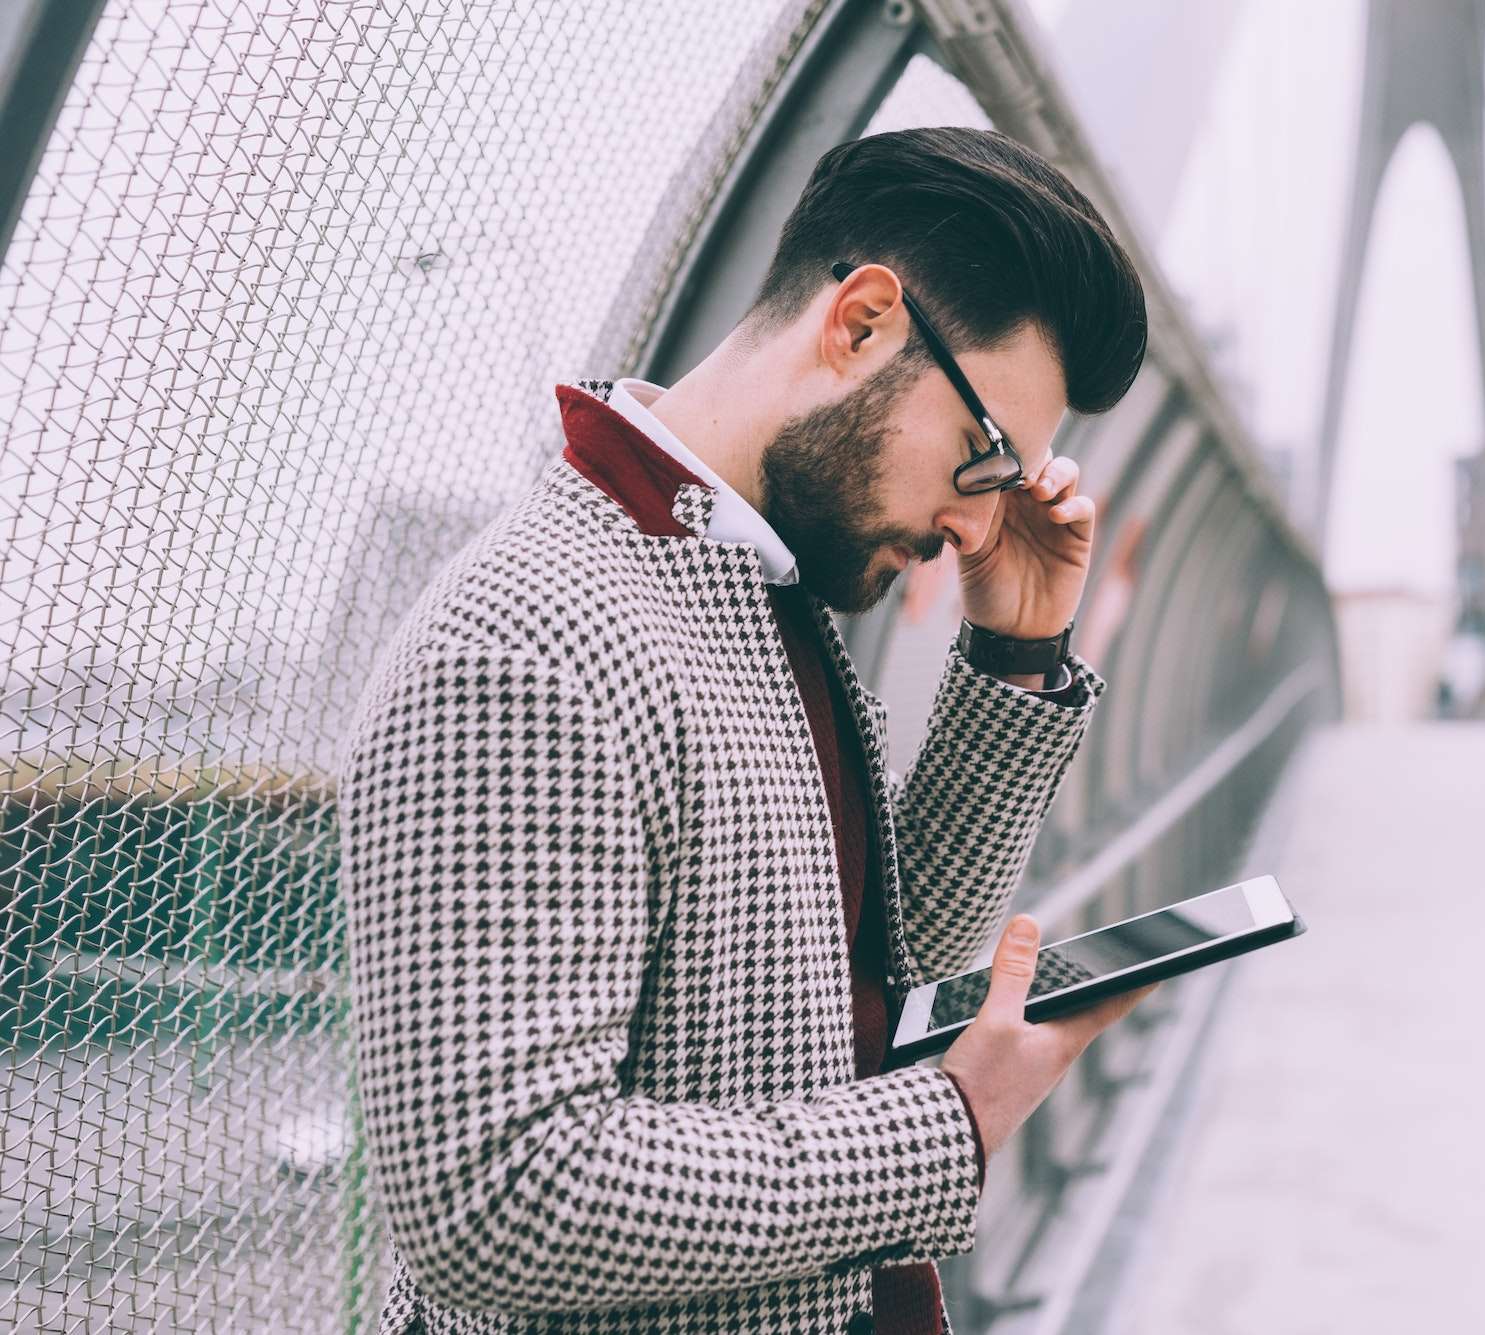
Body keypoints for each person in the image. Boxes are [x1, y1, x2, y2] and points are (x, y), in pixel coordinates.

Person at [336, 126, 1153, 1335]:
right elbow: (495, 1204)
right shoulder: (527, 640)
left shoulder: (751, 596)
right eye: (983, 461)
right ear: (862, 322)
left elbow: (883, 971)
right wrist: (949, 1127)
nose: (977, 528)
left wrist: (1015, 651)